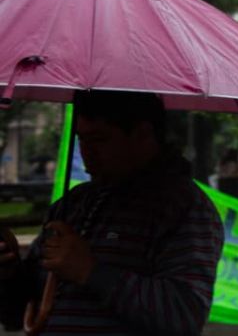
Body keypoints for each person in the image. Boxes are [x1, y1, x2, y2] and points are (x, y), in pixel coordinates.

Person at [0, 90, 224, 336]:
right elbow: (18, 313)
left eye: (99, 139)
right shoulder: (73, 204)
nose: (87, 151)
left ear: (142, 135)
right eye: (82, 139)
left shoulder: (184, 207)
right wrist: (9, 273)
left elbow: (183, 316)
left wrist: (91, 271)